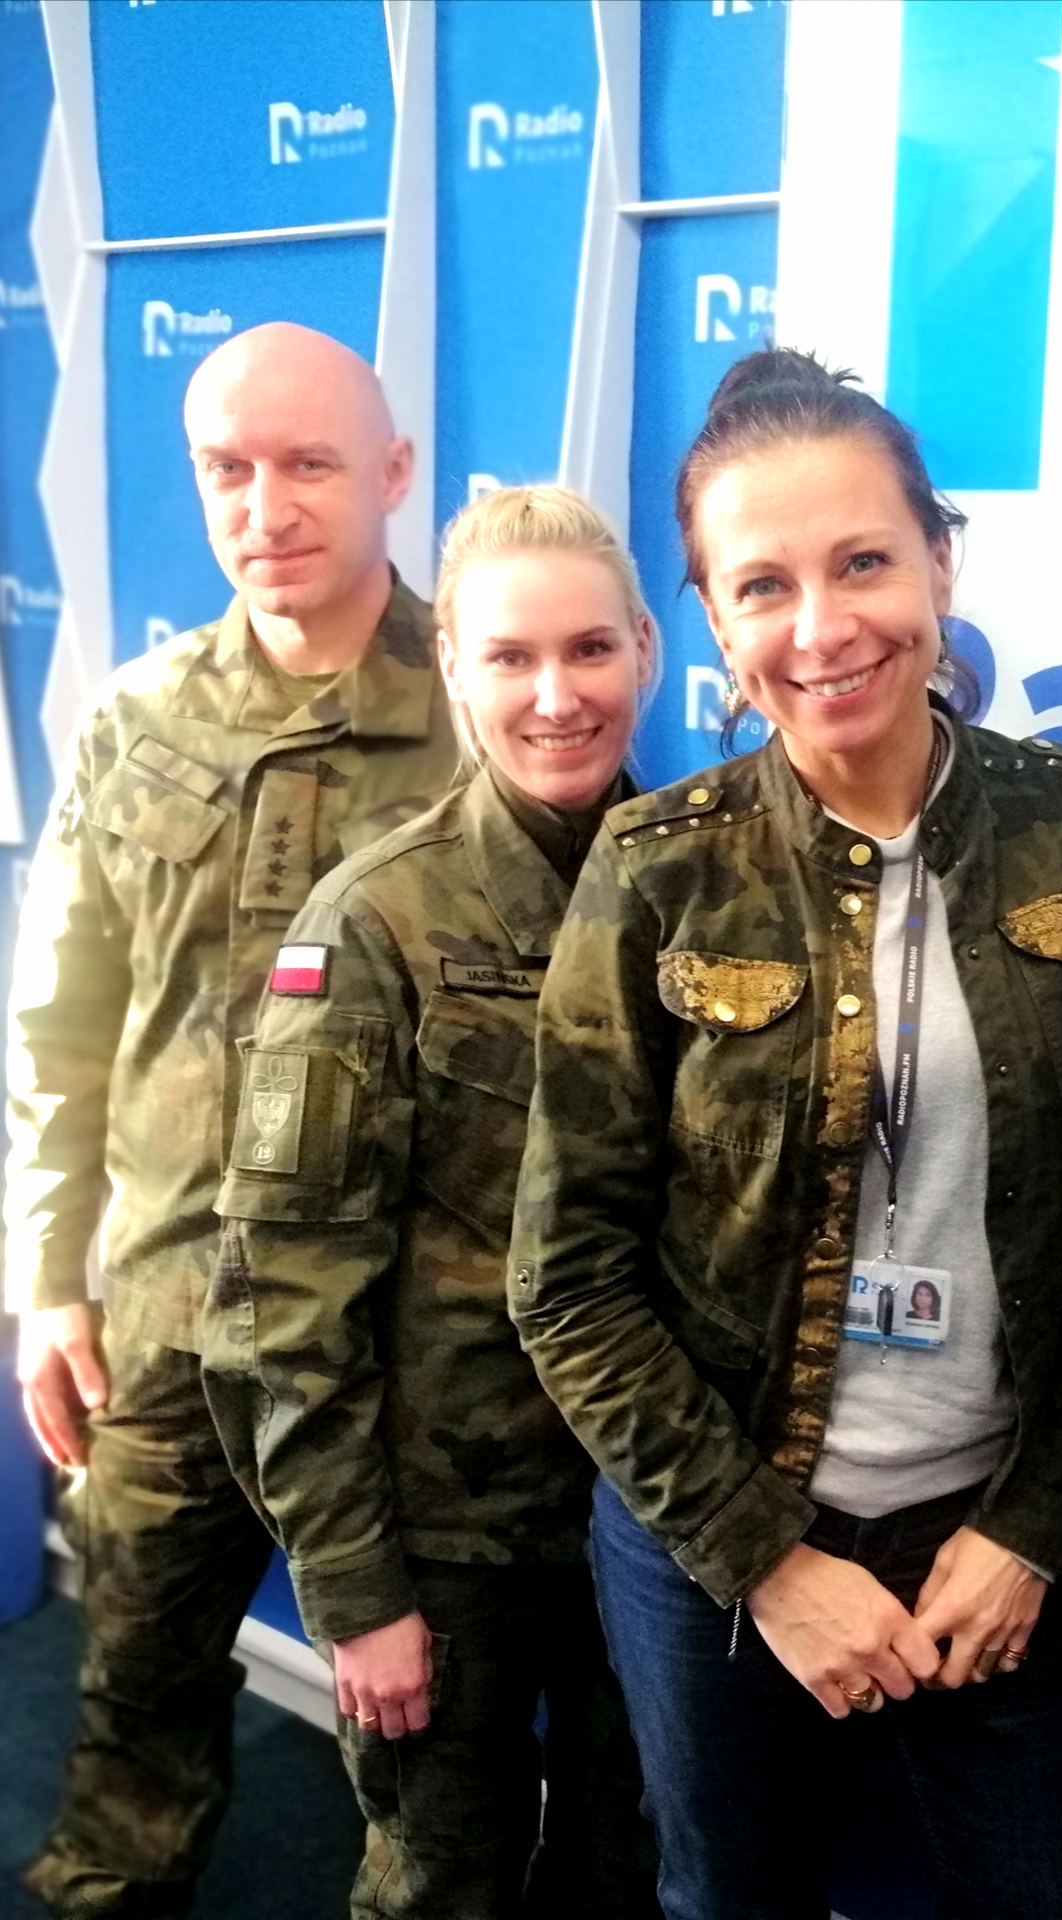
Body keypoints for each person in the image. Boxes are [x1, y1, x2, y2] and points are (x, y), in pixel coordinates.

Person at [505, 347, 1062, 1920]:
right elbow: (567, 1275)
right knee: (725, 1899)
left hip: (997, 1523)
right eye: (763, 586)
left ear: (941, 559)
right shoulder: (657, 870)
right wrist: (765, 1559)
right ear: (710, 620)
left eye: (864, 561)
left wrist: (1036, 1524)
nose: (821, 629)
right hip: (711, 1537)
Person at [6, 322, 462, 1916]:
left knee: (424, 1755)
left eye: (309, 463)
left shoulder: (493, 713)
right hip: (163, 1316)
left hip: (401, 1349)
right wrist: (46, 1276)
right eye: (228, 469)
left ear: (393, 472)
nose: (265, 507)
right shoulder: (137, 716)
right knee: (130, 1703)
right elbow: (61, 1023)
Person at [207, 487, 661, 1916]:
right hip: (452, 1542)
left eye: (590, 649)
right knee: (443, 1883)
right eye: (511, 656)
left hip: (656, 1517)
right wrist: (356, 1592)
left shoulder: (706, 888)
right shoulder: (373, 925)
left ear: (646, 650)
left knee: (633, 1873)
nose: (556, 696)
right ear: (454, 665)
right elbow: (283, 1298)